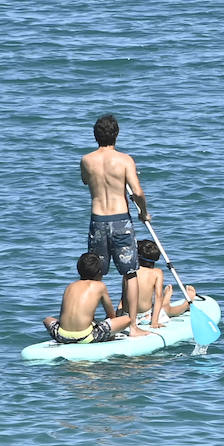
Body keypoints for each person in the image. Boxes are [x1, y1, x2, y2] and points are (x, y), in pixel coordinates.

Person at [82, 114, 150, 337]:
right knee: (130, 273)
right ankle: (132, 326)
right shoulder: (124, 160)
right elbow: (137, 192)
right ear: (116, 134)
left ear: (95, 136)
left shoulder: (86, 160)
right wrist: (143, 212)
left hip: (98, 220)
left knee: (93, 274)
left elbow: (86, 180)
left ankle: (87, 325)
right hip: (120, 220)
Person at [42, 253, 136, 344]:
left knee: (47, 319)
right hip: (85, 337)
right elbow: (111, 315)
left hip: (61, 336)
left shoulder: (70, 286)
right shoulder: (100, 286)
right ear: (99, 272)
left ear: (79, 270)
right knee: (127, 319)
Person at [120, 240, 195, 327]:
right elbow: (158, 297)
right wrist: (154, 322)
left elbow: (124, 295)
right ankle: (185, 305)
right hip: (145, 316)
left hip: (127, 316)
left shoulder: (128, 271)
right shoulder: (157, 272)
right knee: (167, 310)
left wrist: (118, 314)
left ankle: (166, 301)